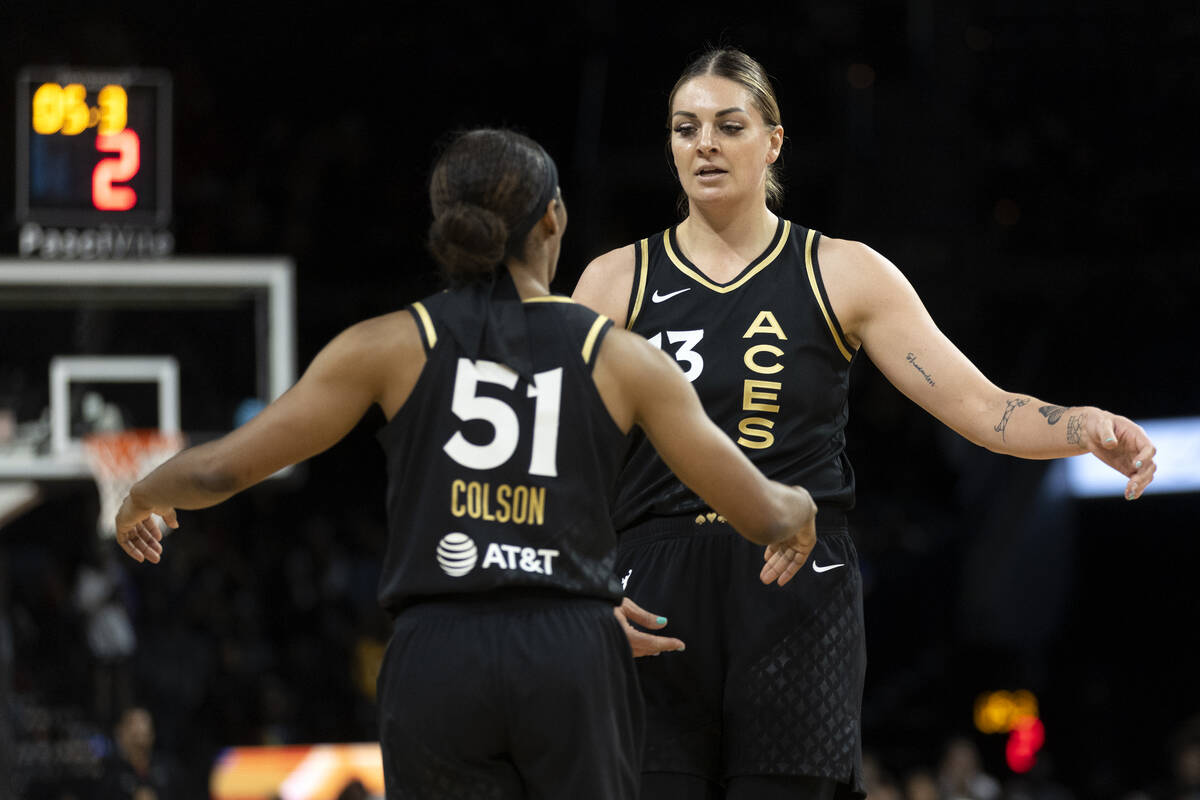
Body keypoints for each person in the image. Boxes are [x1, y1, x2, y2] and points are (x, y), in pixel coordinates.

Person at [113, 128, 820, 800]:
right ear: (554, 219)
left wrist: (142, 490)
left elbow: (218, 473)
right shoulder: (622, 357)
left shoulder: (391, 344)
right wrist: (800, 508)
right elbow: (757, 509)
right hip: (569, 649)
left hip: (439, 651)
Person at [571, 47, 1158, 800]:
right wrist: (579, 583)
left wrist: (1081, 424)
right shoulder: (614, 279)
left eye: (728, 125)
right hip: (650, 582)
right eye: (685, 129)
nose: (705, 144)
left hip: (794, 585)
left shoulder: (843, 271)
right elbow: (554, 452)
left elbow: (980, 408)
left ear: (774, 140)